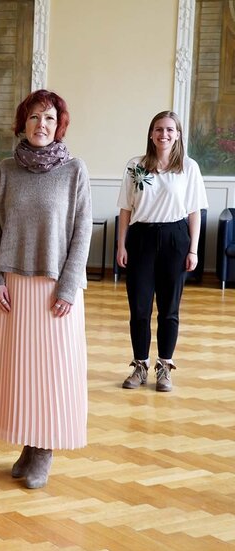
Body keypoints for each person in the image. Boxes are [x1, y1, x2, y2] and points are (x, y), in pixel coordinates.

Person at [0, 89, 91, 490]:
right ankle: (28, 443)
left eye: (48, 118)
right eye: (33, 118)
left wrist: (68, 287)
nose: (40, 125)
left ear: (58, 125)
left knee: (52, 374)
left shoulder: (75, 170)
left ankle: (44, 449)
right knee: (21, 373)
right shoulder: (7, 169)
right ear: (22, 123)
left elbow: (81, 234)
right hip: (13, 288)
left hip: (55, 291)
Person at [117, 111, 207, 392]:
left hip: (175, 239)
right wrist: (121, 245)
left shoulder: (188, 168)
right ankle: (140, 366)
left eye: (170, 130)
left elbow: (194, 212)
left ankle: (164, 367)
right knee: (140, 308)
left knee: (169, 309)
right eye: (158, 129)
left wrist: (192, 249)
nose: (164, 134)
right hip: (140, 238)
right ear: (151, 134)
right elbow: (125, 210)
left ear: (178, 134)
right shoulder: (136, 166)